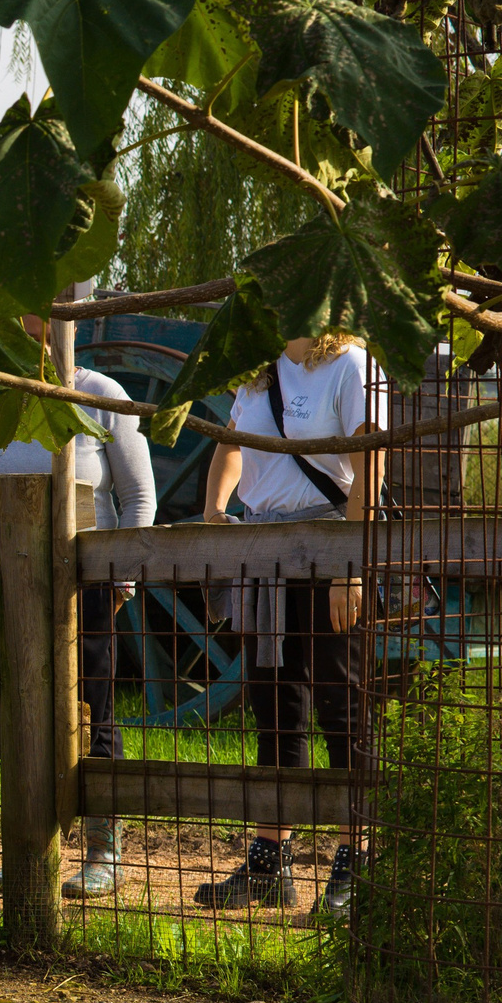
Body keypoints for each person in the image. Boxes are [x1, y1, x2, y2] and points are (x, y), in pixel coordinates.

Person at [0, 322, 159, 896]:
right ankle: (28, 848)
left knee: (92, 709)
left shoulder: (101, 393)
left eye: (50, 313)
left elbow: (139, 496)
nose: (34, 326)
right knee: (12, 713)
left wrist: (119, 585)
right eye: (23, 313)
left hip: (85, 585)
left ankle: (103, 852)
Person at [194, 333, 384, 919]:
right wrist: (213, 511)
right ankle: (270, 862)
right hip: (265, 547)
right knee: (275, 703)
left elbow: (369, 462)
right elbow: (232, 442)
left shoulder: (351, 364)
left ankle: (359, 858)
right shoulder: (260, 367)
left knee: (340, 701)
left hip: (328, 546)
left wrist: (350, 569)